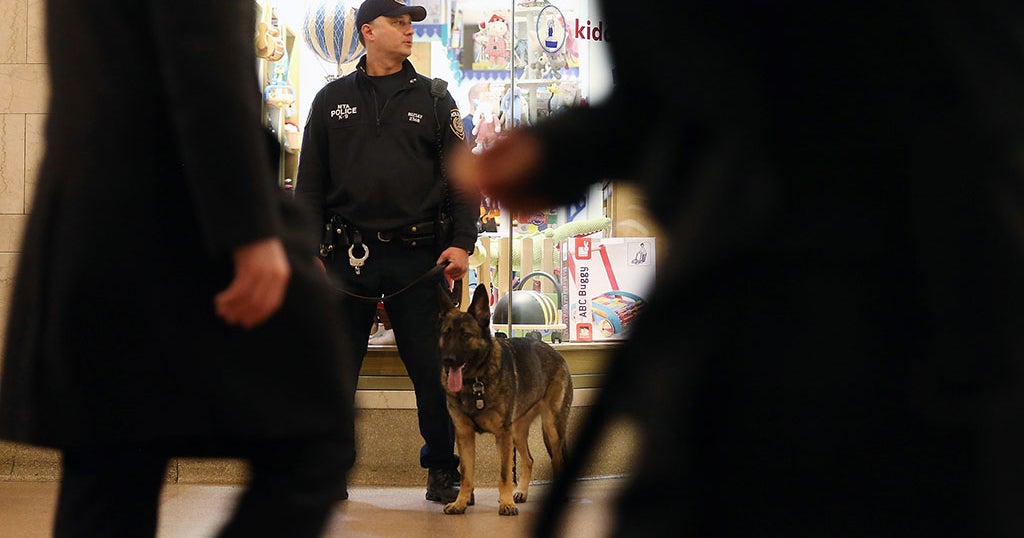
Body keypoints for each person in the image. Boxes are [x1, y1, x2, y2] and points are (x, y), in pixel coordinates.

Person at [449, 1, 1024, 537]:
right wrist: (565, 152)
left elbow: (918, 75)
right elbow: (686, 91)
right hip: (746, 295)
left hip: (916, 283)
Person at [0, 1, 355, 536]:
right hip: (176, 220)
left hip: (96, 225)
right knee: (316, 435)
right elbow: (203, 57)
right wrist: (251, 230)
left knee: (111, 467)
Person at [294, 0, 479, 503]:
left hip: (419, 260)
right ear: (367, 32)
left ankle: (441, 467)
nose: (408, 31)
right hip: (343, 258)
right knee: (334, 372)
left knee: (432, 370)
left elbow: (465, 180)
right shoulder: (331, 100)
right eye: (398, 23)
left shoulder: (437, 99)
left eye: (410, 24)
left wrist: (462, 242)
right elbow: (308, 186)